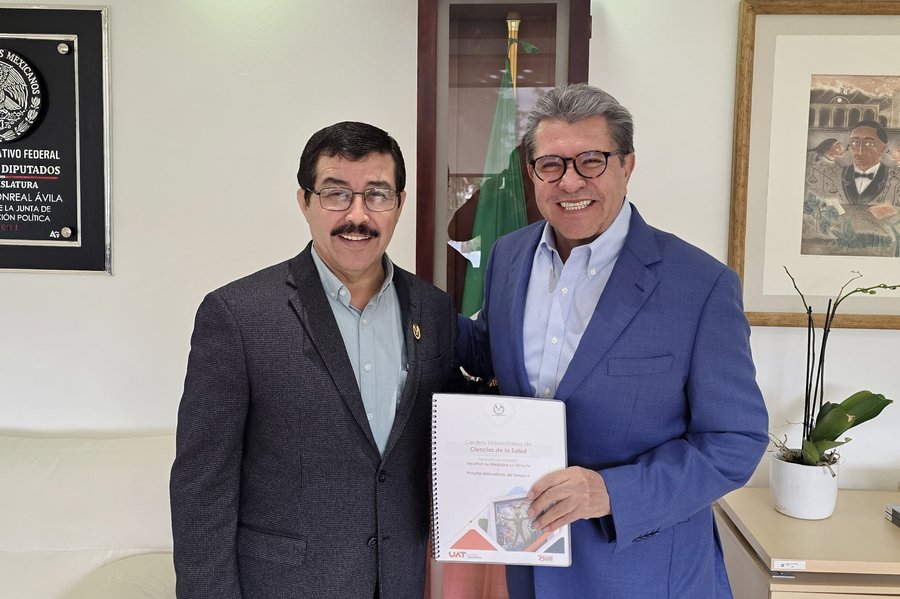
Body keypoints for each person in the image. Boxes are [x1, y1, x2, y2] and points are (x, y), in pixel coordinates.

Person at [456, 83, 769, 598]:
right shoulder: (509, 257)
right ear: (532, 173)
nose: (569, 181)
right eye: (551, 164)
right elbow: (490, 352)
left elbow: (735, 441)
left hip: (643, 574)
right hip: (528, 561)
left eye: (591, 161)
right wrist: (397, 297)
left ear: (627, 166)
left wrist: (609, 492)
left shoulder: (700, 284)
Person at [170, 121, 461, 599]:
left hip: (399, 582)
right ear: (304, 202)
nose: (357, 215)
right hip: (284, 585)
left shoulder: (434, 310)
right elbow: (202, 487)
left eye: (377, 194)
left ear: (399, 203)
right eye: (336, 194)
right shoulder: (238, 315)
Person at [839, 120, 899, 205]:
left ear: (883, 148)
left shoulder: (896, 179)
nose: (860, 152)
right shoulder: (834, 176)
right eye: (854, 143)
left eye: (869, 144)